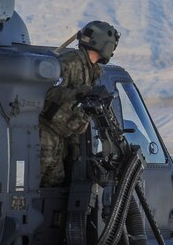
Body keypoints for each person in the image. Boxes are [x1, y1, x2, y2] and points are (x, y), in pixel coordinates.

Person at [39, 20, 120, 187]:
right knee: (40, 184)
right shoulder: (70, 63)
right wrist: (76, 93)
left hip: (65, 137)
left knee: (57, 183)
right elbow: (45, 91)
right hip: (47, 134)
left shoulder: (92, 71)